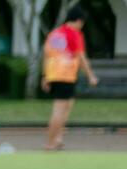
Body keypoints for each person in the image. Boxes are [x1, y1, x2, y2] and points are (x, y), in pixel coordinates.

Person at [42, 6, 99, 151]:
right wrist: (90, 75)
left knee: (67, 107)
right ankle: (50, 142)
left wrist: (45, 77)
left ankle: (58, 138)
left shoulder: (55, 33)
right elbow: (81, 57)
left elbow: (47, 55)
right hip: (65, 76)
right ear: (79, 21)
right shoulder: (75, 34)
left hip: (55, 75)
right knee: (59, 110)